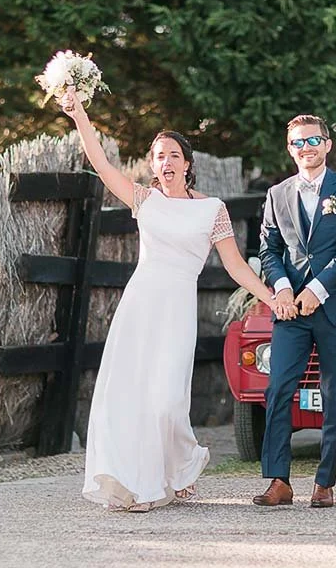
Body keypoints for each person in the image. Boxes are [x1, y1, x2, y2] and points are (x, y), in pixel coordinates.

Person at [59, 87, 278, 513]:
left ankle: (182, 464)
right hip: (140, 306)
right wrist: (79, 114)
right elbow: (100, 163)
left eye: (173, 154)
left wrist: (271, 297)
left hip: (177, 310)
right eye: (159, 156)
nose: (166, 162)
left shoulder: (212, 209)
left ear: (187, 164)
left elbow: (235, 266)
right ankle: (138, 483)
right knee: (127, 395)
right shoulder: (145, 200)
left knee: (166, 403)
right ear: (153, 166)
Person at [252, 114, 336, 509]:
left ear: (327, 145)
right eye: (298, 143)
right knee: (278, 389)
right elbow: (269, 250)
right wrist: (284, 290)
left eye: (312, 141)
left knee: (332, 392)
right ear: (290, 149)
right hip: (290, 311)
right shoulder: (277, 194)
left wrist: (317, 291)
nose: (305, 148)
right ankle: (278, 480)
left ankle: (324, 482)